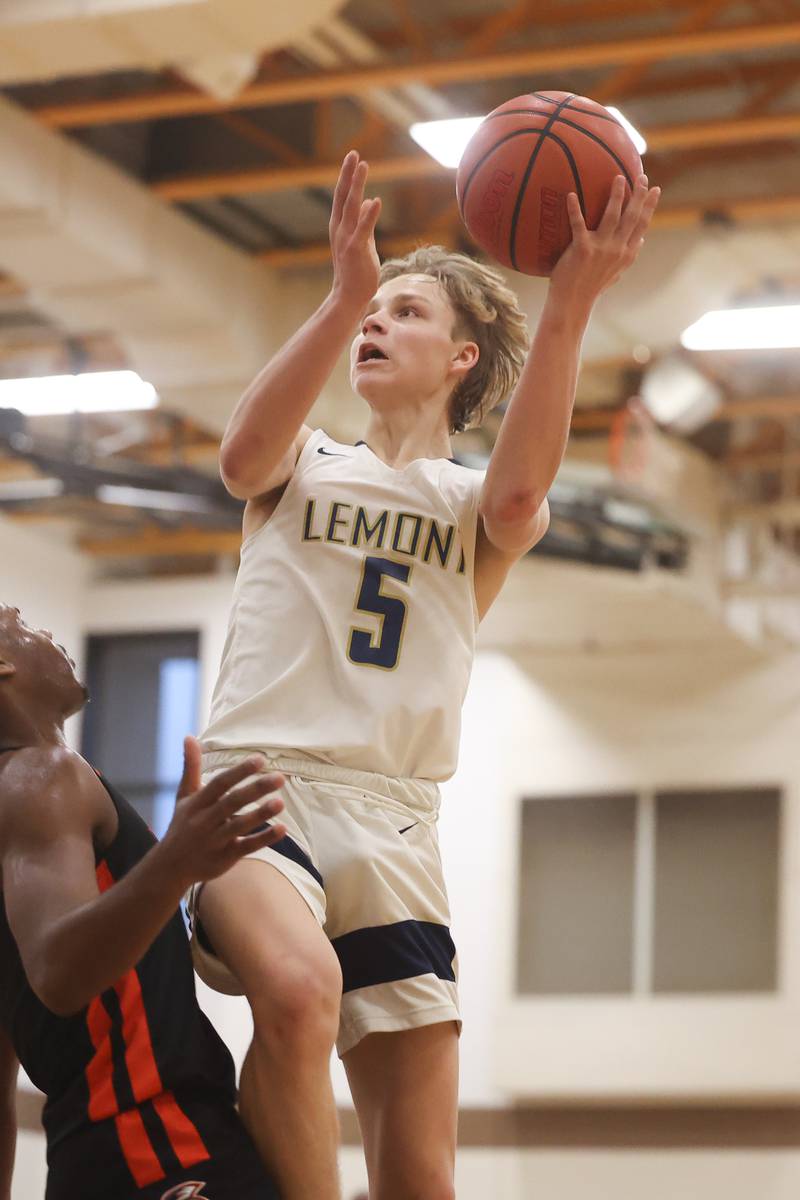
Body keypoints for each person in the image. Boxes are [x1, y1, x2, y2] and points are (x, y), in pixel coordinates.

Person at [189, 150, 661, 1200]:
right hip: (261, 782)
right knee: (302, 993)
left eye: (403, 312)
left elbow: (517, 494)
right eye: (376, 312)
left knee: (421, 1178)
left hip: (397, 817)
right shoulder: (303, 461)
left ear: (461, 357)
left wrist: (569, 305)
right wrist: (342, 293)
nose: (375, 325)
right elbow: (237, 456)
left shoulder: (469, 506)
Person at [0, 603, 289, 1200]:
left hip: (97, 1161)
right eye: (23, 622)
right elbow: (59, 972)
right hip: (158, 1147)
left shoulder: (20, 805)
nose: (46, 631)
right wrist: (175, 861)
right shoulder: (39, 778)